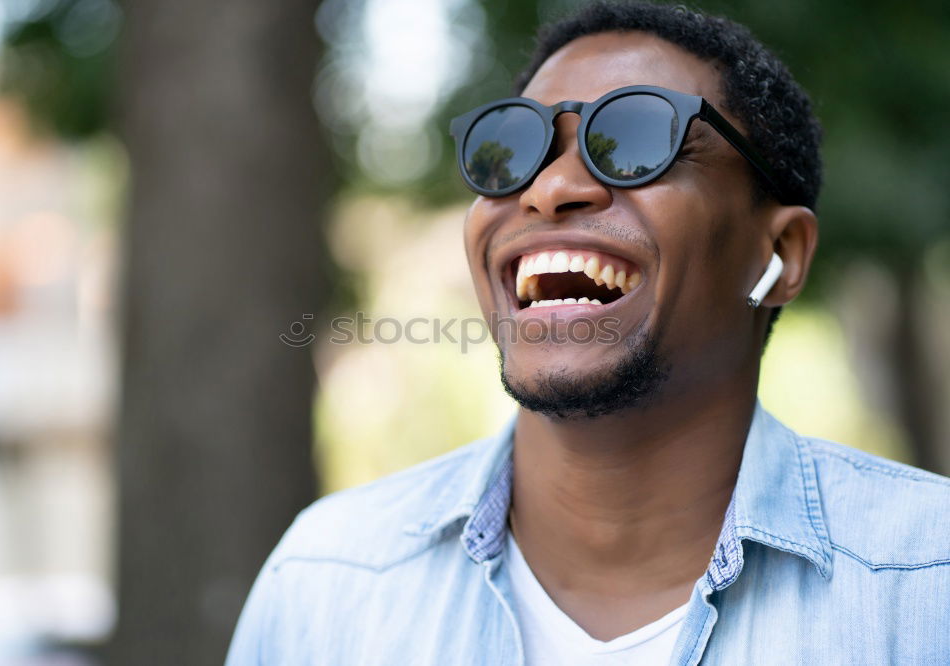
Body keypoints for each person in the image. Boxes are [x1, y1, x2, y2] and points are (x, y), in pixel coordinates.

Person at [226, 2, 950, 664]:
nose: (547, 188)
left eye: (637, 136)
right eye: (510, 148)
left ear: (780, 253)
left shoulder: (927, 586)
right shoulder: (325, 585)